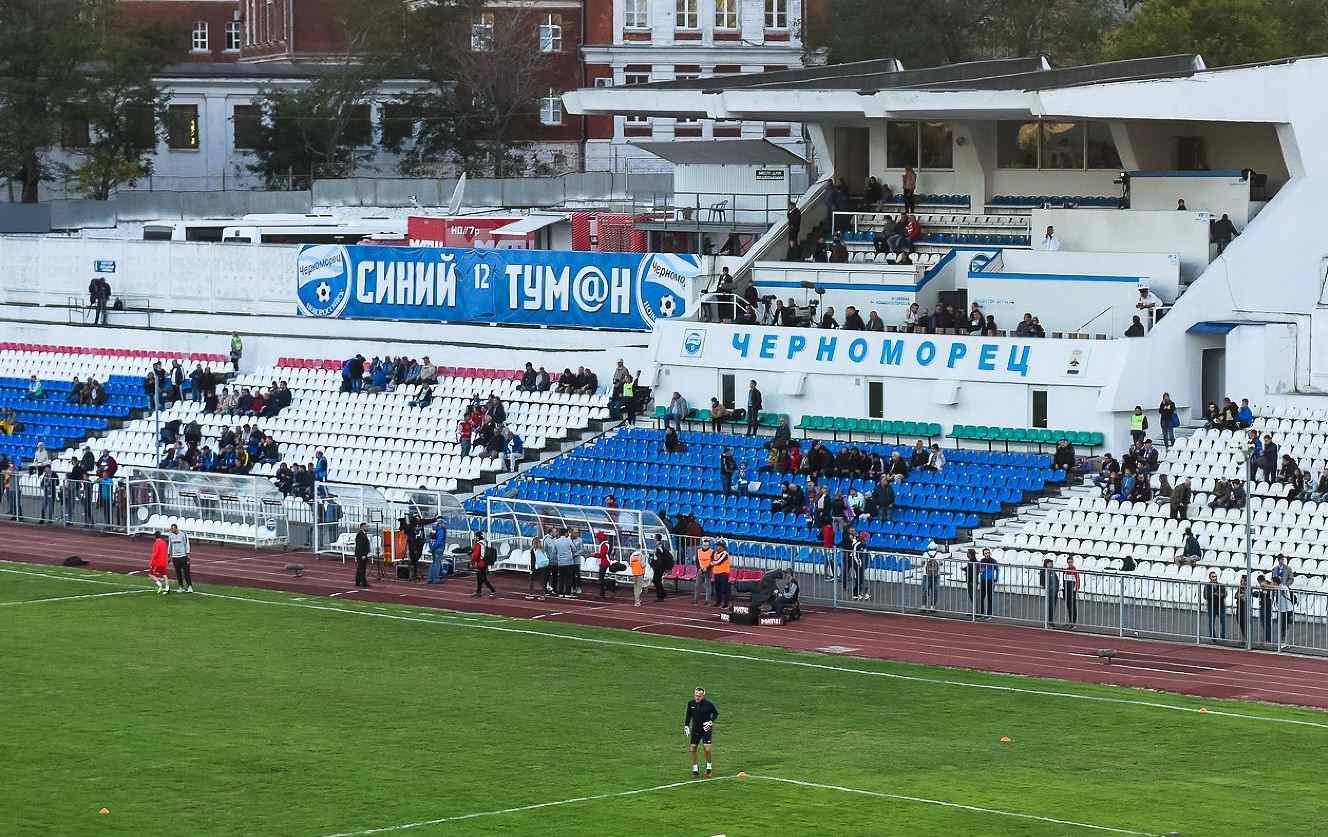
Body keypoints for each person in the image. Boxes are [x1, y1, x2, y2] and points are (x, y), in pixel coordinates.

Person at [683, 686, 719, 779]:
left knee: (707, 749)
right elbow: (688, 714)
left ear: (703, 695)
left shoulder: (709, 704)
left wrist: (710, 721)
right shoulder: (691, 703)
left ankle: (709, 767)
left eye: (699, 696)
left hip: (706, 728)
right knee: (693, 748)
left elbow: (715, 713)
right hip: (696, 728)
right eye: (696, 695)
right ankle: (695, 769)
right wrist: (686, 725)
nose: (697, 697)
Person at [166, 523, 193, 593]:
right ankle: (181, 586)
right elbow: (170, 545)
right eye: (171, 529)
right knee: (178, 573)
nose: (171, 530)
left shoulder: (183, 534)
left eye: (173, 529)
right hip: (175, 557)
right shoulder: (171, 536)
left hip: (183, 556)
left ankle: (189, 586)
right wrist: (169, 555)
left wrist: (188, 554)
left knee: (186, 572)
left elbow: (187, 544)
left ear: (176, 528)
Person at [1202, 570, 1227, 641]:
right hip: (1211, 606)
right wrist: (1214, 595)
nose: (1215, 578)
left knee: (1223, 622)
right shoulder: (1207, 585)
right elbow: (1205, 595)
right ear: (1210, 577)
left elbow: (1225, 593)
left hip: (1221, 606)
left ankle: (1223, 636)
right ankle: (1213, 637)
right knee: (1211, 622)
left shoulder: (1221, 585)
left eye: (1215, 576)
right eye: (1213, 577)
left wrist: (1220, 594)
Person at [471, 532, 496, 598]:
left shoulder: (478, 544)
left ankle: (492, 590)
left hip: (480, 563)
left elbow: (475, 555)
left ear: (478, 537)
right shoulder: (484, 543)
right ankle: (478, 592)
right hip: (484, 562)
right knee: (479, 578)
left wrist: (472, 563)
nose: (474, 538)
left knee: (483, 578)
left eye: (475, 536)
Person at [651, 533, 673, 601]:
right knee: (656, 580)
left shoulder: (659, 547)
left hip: (659, 566)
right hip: (660, 566)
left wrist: (656, 565)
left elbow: (660, 557)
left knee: (656, 580)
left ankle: (660, 595)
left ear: (656, 538)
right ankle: (662, 593)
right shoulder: (660, 546)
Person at [692, 538, 714, 606]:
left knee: (708, 586)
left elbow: (713, 562)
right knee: (697, 586)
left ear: (708, 546)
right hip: (700, 570)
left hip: (708, 570)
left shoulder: (712, 551)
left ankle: (708, 601)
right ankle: (695, 600)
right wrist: (699, 568)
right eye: (704, 546)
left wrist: (707, 568)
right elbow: (697, 561)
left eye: (706, 546)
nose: (705, 547)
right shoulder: (698, 551)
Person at [711, 540, 732, 608]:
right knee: (717, 589)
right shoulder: (714, 552)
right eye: (717, 546)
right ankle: (718, 602)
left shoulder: (725, 554)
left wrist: (713, 562)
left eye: (719, 546)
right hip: (716, 573)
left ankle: (726, 603)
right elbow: (711, 559)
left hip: (724, 573)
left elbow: (718, 562)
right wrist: (713, 562)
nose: (717, 547)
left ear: (722, 547)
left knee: (724, 589)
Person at [977, 548, 998, 618]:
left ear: (990, 553)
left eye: (988, 553)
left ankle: (989, 614)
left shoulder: (993, 561)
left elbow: (997, 570)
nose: (987, 554)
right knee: (982, 597)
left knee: (990, 597)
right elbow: (979, 570)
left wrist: (996, 579)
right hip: (983, 580)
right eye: (985, 553)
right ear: (983, 554)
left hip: (990, 580)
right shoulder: (982, 561)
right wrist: (981, 570)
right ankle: (982, 613)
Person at [921, 547, 942, 612]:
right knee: (935, 591)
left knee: (924, 590)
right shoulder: (939, 554)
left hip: (926, 574)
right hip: (936, 574)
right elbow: (941, 563)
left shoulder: (925, 554)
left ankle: (923, 605)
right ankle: (933, 606)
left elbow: (922, 563)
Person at [1041, 558, 1060, 627]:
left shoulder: (1053, 571)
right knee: (1050, 607)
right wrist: (1045, 588)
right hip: (1049, 592)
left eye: (1051, 563)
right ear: (1046, 564)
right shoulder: (1043, 572)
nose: (1050, 565)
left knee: (1053, 607)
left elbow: (1057, 580)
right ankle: (1049, 621)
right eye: (1049, 563)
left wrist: (1057, 588)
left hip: (1055, 592)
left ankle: (1050, 620)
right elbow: (1042, 582)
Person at [353, 522, 371, 587]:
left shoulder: (363, 534)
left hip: (362, 554)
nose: (367, 528)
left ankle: (357, 582)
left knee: (359, 569)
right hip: (361, 555)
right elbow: (360, 546)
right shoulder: (360, 535)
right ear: (362, 527)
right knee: (362, 569)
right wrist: (363, 554)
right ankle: (364, 583)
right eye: (366, 527)